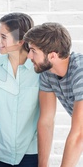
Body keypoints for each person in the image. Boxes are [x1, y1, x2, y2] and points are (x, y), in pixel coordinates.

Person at [0, 12, 40, 166]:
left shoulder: (40, 71)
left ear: (21, 41)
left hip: (31, 153)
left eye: (3, 37)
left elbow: (46, 118)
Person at [24, 22, 83, 167]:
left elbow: (79, 134)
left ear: (52, 56)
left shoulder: (80, 72)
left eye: (33, 51)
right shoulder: (47, 73)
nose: (28, 56)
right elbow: (46, 121)